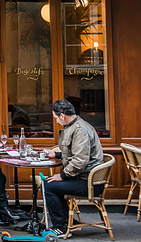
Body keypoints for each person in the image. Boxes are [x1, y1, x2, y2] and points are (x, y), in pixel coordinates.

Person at [43, 98, 104, 235]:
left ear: (62, 116)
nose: (56, 121)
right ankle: (68, 222)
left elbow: (80, 161)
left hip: (88, 182)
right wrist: (57, 156)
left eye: (56, 118)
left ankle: (61, 227)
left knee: (48, 186)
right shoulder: (76, 126)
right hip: (84, 178)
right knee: (51, 183)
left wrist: (63, 176)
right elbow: (77, 154)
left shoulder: (80, 130)